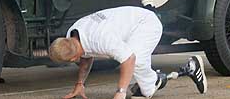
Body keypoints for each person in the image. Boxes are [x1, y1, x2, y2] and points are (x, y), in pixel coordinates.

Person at [49, 6, 207, 99]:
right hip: (130, 25)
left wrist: (120, 92)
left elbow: (128, 59)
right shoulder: (73, 33)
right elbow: (85, 58)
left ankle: (189, 68)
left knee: (137, 64)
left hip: (146, 24)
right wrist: (80, 84)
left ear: (72, 59)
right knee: (145, 86)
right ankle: (157, 79)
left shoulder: (101, 40)